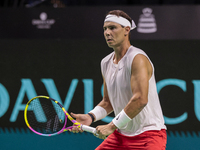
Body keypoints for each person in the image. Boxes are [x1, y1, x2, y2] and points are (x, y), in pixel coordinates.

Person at [70, 10, 167, 150]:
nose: (107, 32)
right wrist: (90, 117)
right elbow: (108, 102)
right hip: (121, 136)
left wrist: (111, 126)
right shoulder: (105, 62)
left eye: (112, 28)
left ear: (126, 30)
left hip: (149, 135)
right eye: (105, 29)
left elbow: (140, 99)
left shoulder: (137, 58)